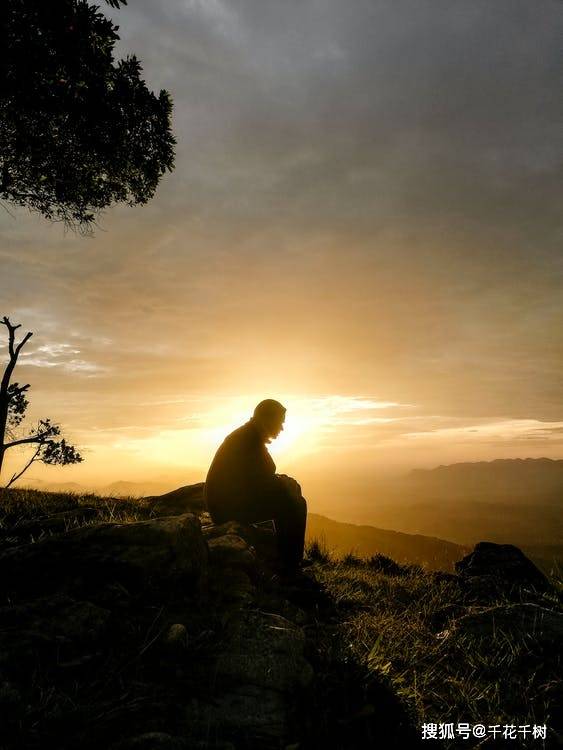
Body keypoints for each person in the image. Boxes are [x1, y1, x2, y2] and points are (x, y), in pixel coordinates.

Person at [203, 399, 307, 573]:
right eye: (280, 423)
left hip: (226, 503)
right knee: (295, 504)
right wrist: (286, 484)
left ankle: (288, 559)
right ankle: (290, 564)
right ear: (267, 419)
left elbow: (258, 477)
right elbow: (263, 479)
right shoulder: (248, 440)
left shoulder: (248, 435)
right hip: (227, 508)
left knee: (289, 496)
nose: (282, 428)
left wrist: (284, 483)